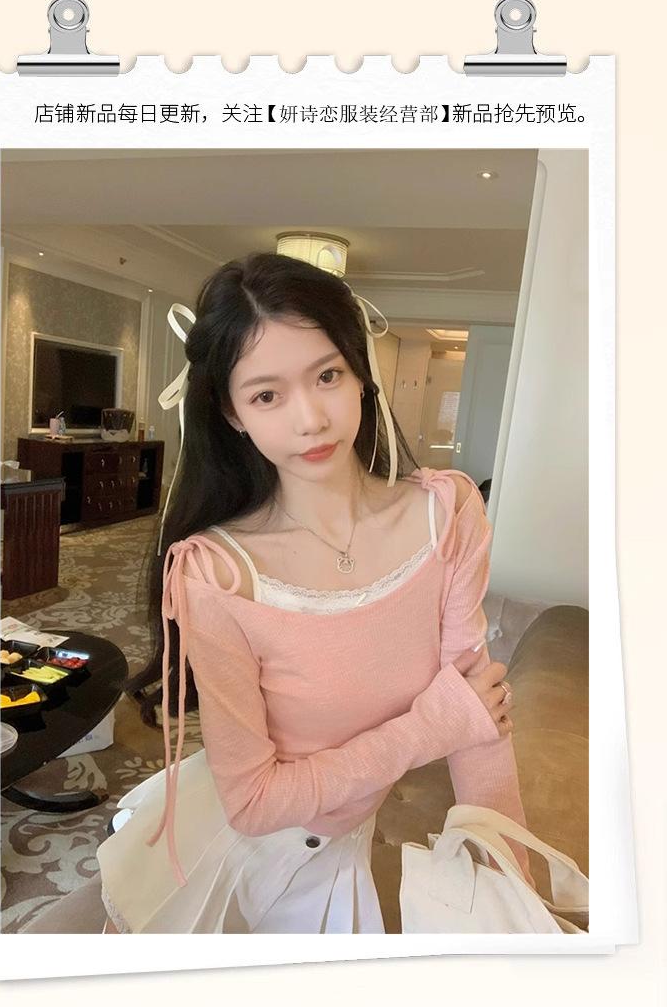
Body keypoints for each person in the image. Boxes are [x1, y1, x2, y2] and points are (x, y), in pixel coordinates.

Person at [98, 251, 530, 935]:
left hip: (346, 839)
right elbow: (255, 803)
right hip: (261, 856)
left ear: (360, 373)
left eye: (327, 375)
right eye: (266, 395)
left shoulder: (448, 513)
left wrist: (516, 895)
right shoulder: (217, 573)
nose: (310, 420)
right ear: (233, 413)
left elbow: (479, 719)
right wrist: (429, 726)